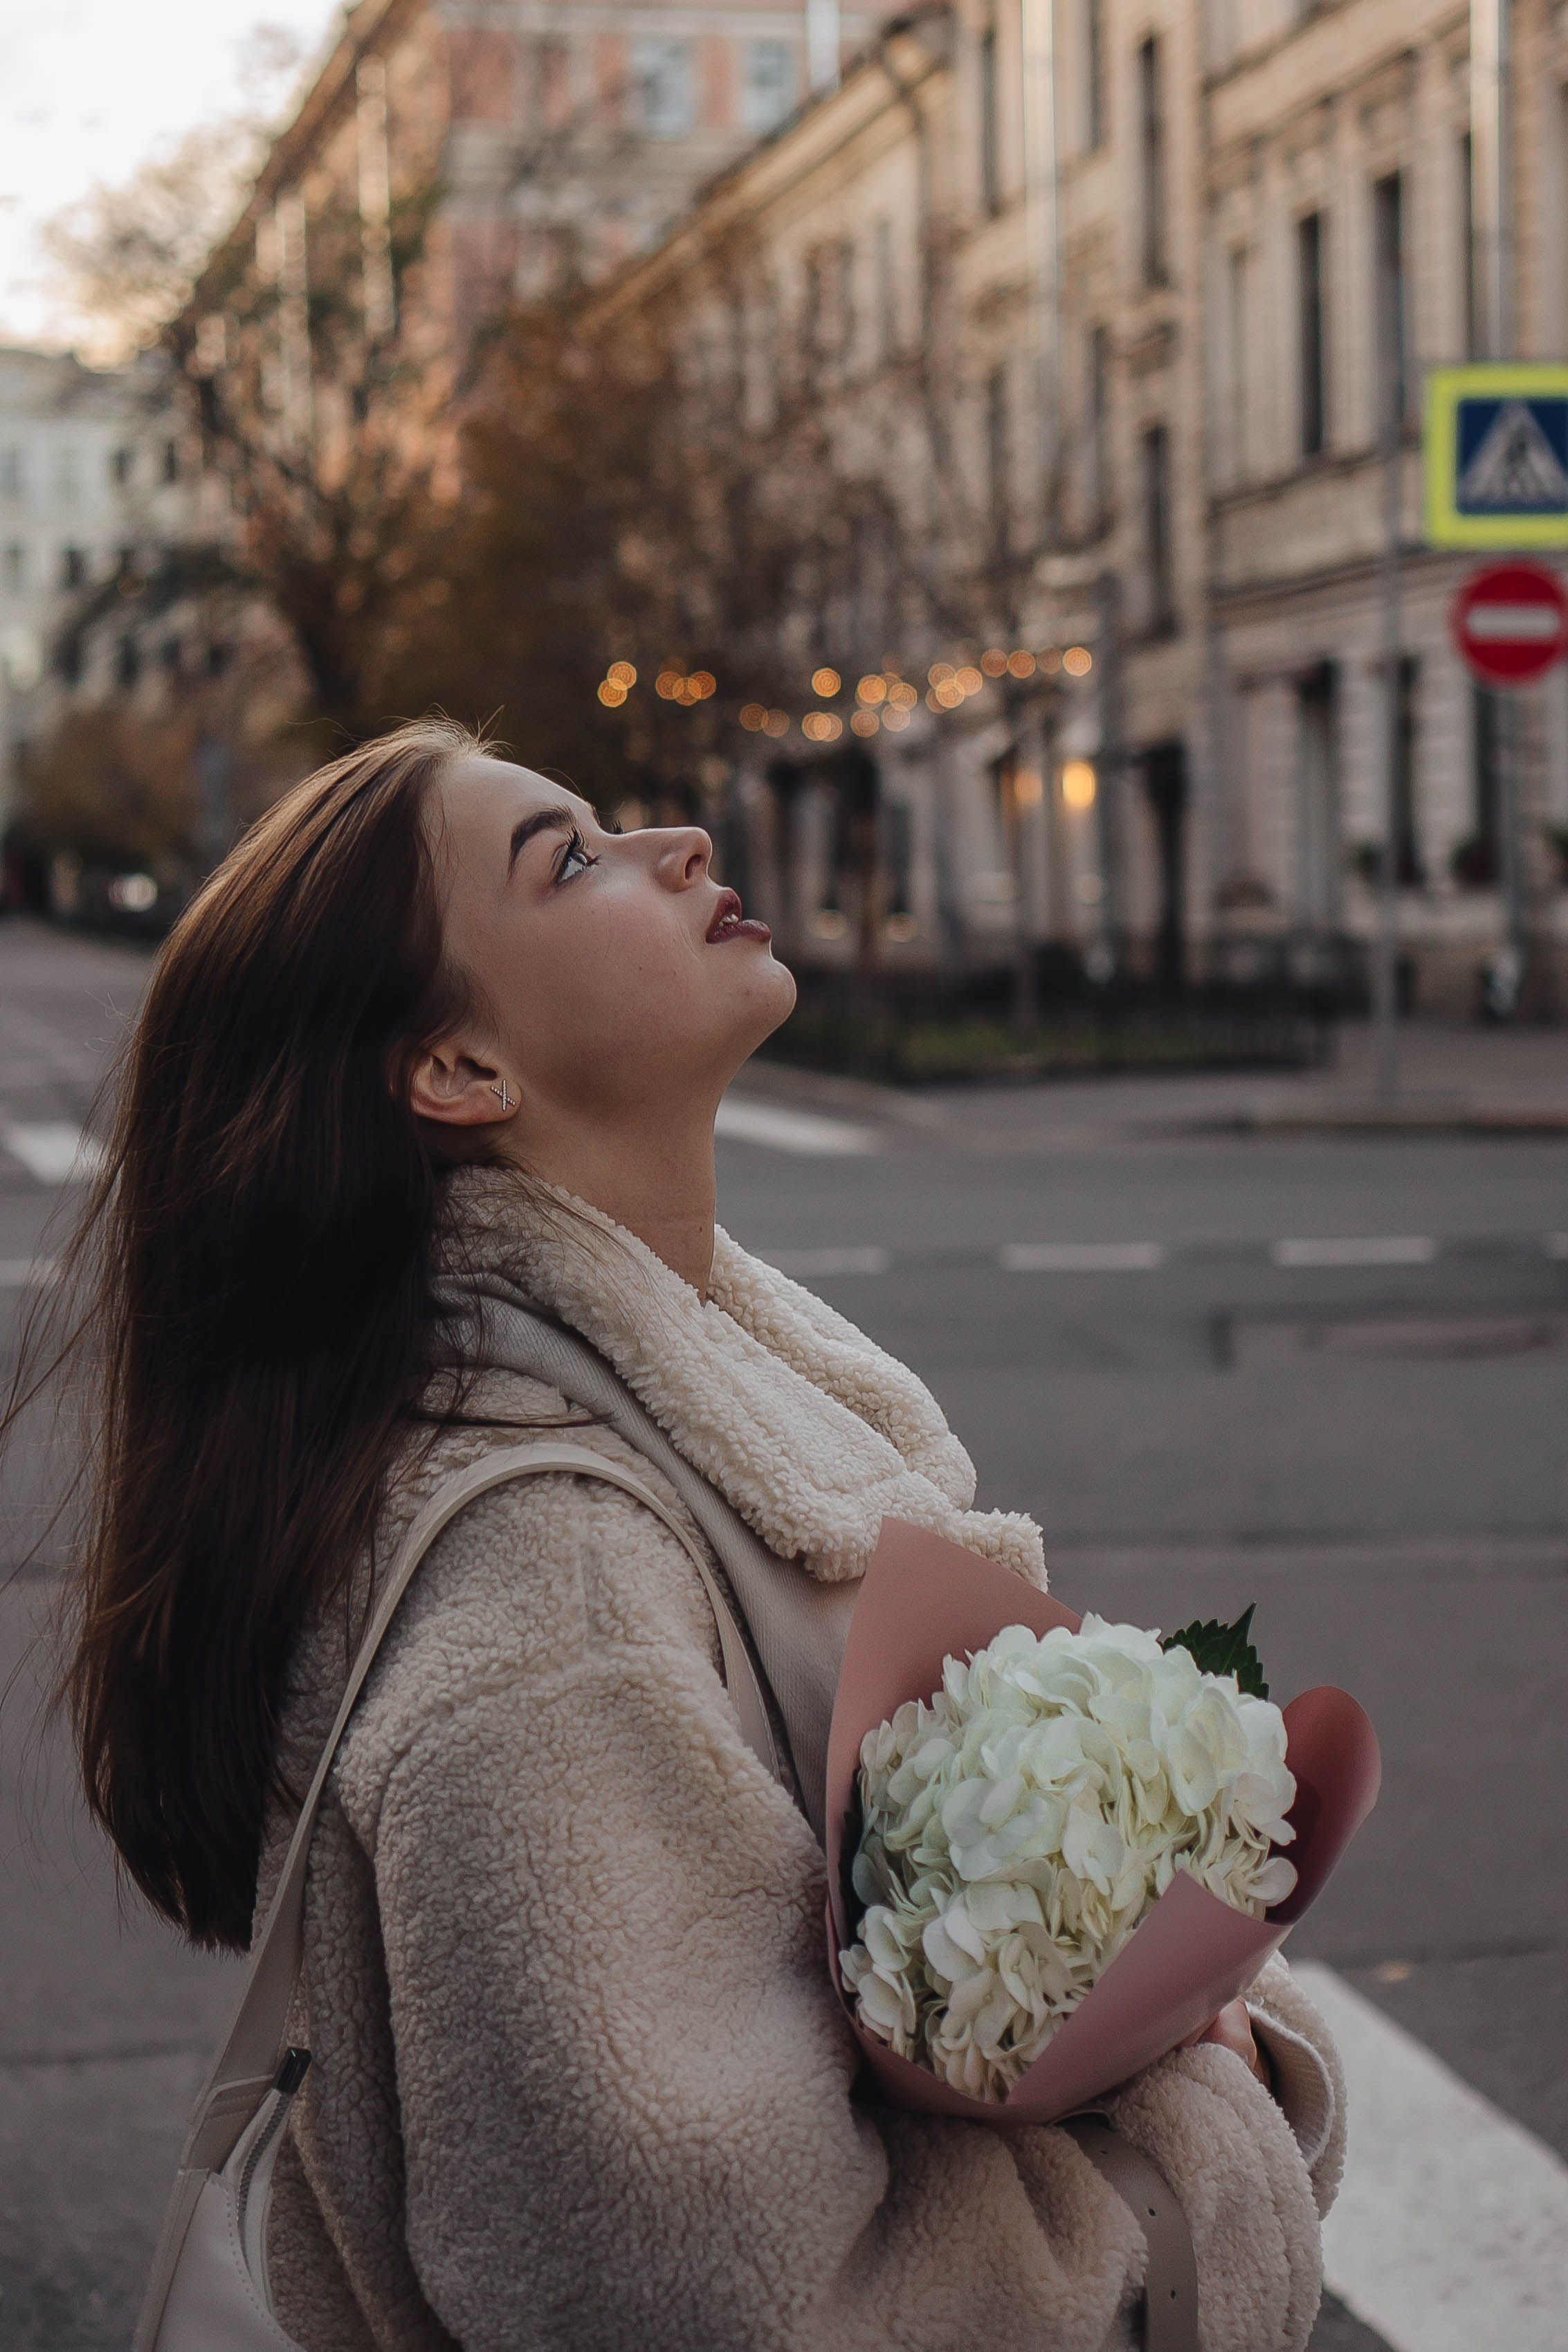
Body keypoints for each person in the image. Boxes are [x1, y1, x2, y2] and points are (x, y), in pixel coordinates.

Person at [45, 720, 1343, 2351]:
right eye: (568, 859)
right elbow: (732, 2303)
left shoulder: (695, 1426)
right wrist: (1198, 2150)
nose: (669, 842)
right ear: (458, 1068)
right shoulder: (551, 1596)